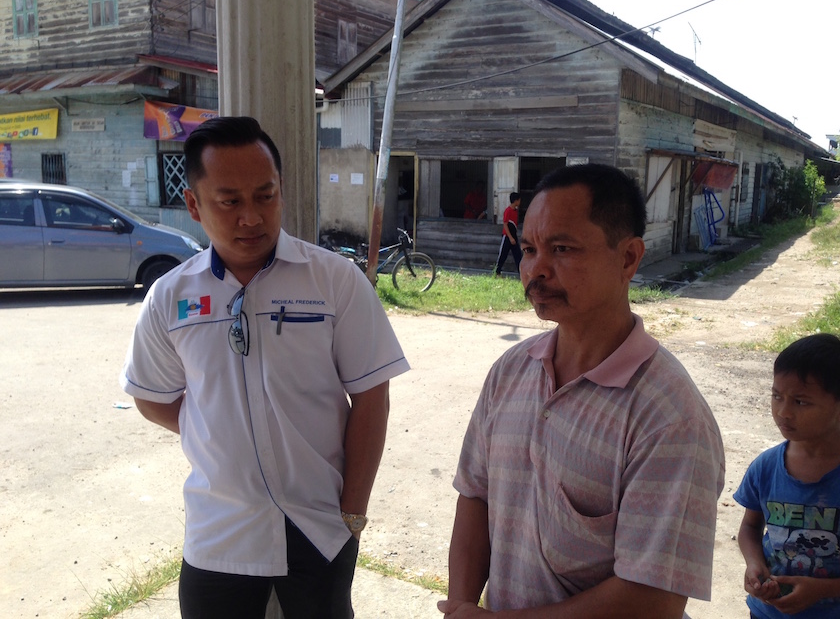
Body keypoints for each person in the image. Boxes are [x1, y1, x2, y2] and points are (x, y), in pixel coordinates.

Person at [120, 116, 409, 619]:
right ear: (194, 205)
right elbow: (152, 396)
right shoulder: (171, 296)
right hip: (219, 534)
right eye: (230, 201)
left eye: (265, 196)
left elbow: (371, 396)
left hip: (319, 526)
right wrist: (214, 427)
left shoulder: (333, 281)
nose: (251, 217)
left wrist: (352, 512)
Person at [439, 163, 725, 618]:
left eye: (562, 249)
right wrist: (459, 606)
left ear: (629, 258)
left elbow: (652, 599)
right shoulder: (512, 370)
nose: (536, 270)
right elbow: (476, 496)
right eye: (529, 248)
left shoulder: (669, 416)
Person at [734, 333, 840, 619]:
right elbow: (749, 528)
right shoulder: (766, 467)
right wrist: (755, 564)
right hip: (768, 612)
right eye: (776, 396)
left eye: (801, 402)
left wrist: (824, 589)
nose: (783, 412)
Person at [493, 191, 522, 276]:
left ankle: (521, 273)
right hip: (507, 237)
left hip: (514, 236)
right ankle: (497, 272)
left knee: (518, 255)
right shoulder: (508, 211)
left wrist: (514, 237)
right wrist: (510, 237)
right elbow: (505, 224)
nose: (520, 202)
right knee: (503, 255)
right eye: (519, 200)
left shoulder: (515, 211)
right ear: (516, 200)